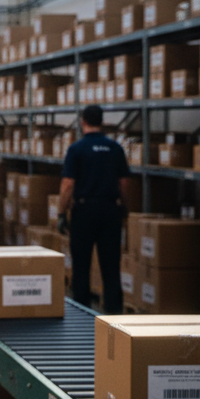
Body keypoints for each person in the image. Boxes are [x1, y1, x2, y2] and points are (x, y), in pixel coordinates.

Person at [58, 104, 131, 313]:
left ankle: (82, 315)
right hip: (110, 211)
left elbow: (68, 185)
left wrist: (62, 213)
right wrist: (125, 208)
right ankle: (115, 316)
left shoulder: (76, 149)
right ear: (102, 121)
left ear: (83, 122)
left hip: (84, 212)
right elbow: (124, 183)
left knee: (81, 266)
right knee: (111, 267)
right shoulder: (115, 148)